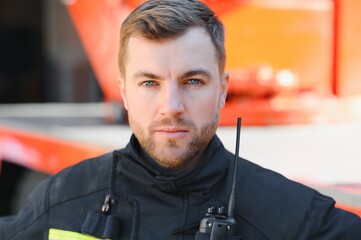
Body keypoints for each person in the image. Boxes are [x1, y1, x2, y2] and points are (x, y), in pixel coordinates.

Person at [1, 0, 361, 239]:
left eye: (192, 81)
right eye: (149, 83)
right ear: (124, 91)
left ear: (222, 90)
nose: (170, 106)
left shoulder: (292, 218)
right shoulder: (65, 198)